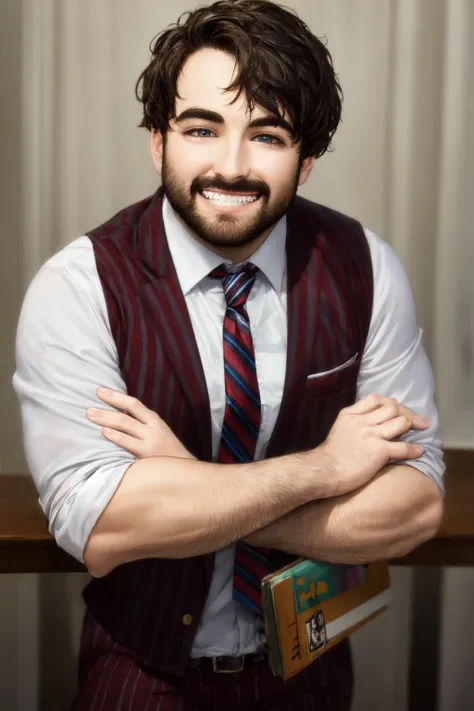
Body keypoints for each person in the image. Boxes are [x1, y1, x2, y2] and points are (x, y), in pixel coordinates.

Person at [13, 1, 445, 708]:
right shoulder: (80, 285)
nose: (232, 165)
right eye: (202, 128)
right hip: (143, 674)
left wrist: (186, 480)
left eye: (267, 135)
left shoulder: (364, 267)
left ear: (306, 160)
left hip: (313, 668)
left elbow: (416, 505)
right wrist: (325, 469)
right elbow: (98, 523)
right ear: (158, 142)